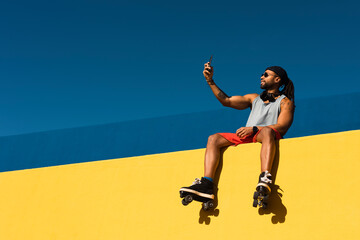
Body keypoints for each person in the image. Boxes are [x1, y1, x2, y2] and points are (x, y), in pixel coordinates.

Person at [180, 61, 295, 204]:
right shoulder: (253, 98)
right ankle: (207, 185)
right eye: (262, 74)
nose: (261, 77)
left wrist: (254, 128)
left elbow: (282, 126)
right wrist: (210, 81)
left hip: (266, 136)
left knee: (266, 131)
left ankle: (265, 177)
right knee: (213, 139)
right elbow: (226, 100)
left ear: (277, 79)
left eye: (266, 75)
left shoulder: (285, 102)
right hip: (248, 136)